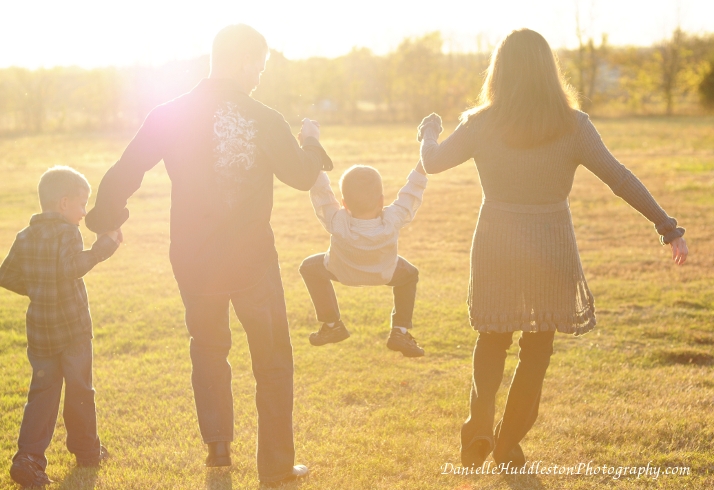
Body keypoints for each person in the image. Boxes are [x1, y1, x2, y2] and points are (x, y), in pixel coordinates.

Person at [418, 28, 688, 469]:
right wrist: (667, 227)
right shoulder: (573, 125)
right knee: (536, 348)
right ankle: (507, 443)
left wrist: (429, 130)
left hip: (497, 240)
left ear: (500, 70)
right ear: (549, 69)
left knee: (492, 337)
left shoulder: (481, 123)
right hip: (550, 245)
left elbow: (432, 162)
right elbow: (619, 178)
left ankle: (479, 430)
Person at [84, 24, 333, 486]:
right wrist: (312, 143)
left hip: (194, 261)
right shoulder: (264, 118)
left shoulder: (170, 113)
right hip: (252, 263)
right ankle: (277, 466)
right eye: (258, 64)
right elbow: (301, 175)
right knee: (273, 360)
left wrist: (105, 218)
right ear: (241, 60)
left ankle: (218, 451)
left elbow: (127, 169)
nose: (260, 74)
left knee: (209, 349)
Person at [0, 166, 122, 487]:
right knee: (81, 389)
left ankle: (28, 457)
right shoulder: (68, 232)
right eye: (82, 204)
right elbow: (71, 267)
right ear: (64, 203)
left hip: (40, 332)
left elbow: (4, 277)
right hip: (74, 329)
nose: (83, 213)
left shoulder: (24, 236)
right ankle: (87, 451)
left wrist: (38, 286)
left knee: (42, 393)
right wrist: (103, 248)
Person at [300, 160, 428, 357]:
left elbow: (322, 195)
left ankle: (332, 324)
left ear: (343, 203)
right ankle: (400, 331)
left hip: (341, 272)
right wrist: (421, 167)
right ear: (381, 201)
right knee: (410, 275)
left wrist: (314, 158)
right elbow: (410, 195)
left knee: (308, 267)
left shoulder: (337, 220)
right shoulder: (393, 219)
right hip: (386, 274)